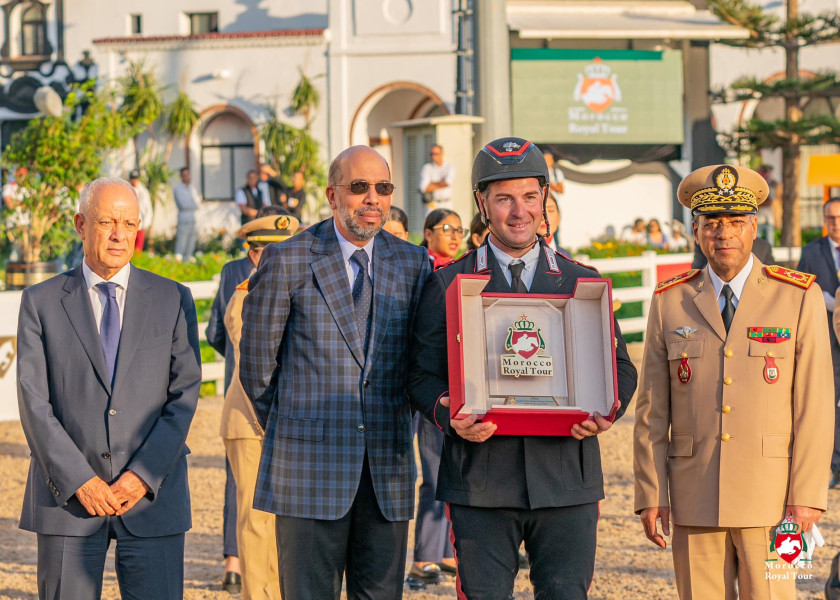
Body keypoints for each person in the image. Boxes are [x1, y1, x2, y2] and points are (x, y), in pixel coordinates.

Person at [409, 137, 638, 599]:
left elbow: (621, 367)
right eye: (504, 198)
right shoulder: (448, 283)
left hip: (566, 480)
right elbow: (419, 374)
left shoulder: (581, 282)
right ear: (482, 203)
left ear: (545, 199)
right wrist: (446, 410)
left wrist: (606, 410)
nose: (519, 211)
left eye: (530, 196)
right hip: (480, 480)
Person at [239, 145, 432, 600]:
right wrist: (295, 429)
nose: (372, 198)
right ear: (331, 194)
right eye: (359, 187)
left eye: (382, 188)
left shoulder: (412, 264)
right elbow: (256, 369)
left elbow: (421, 364)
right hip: (307, 470)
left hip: (387, 470)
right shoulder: (288, 259)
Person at [634, 164, 833, 600]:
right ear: (696, 230)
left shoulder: (798, 296)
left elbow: (815, 407)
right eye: (712, 223)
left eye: (736, 222)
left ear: (753, 226)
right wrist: (651, 493)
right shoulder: (670, 301)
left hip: (775, 501)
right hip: (693, 495)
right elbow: (652, 409)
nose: (724, 233)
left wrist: (806, 497)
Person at [16, 177, 202, 599]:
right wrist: (80, 479)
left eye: (128, 222)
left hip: (152, 499)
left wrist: (142, 475)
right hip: (69, 503)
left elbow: (184, 394)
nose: (119, 234)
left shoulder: (173, 298)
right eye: (106, 222)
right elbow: (33, 402)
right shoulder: (41, 302)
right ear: (81, 224)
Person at [221, 211, 299, 600]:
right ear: (253, 255)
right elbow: (258, 358)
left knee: (286, 519)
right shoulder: (245, 295)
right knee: (256, 519)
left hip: (288, 421)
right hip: (251, 419)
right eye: (271, 250)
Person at [796, 197, 840, 488]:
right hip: (826, 335)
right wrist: (819, 298)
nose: (834, 223)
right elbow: (800, 284)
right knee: (831, 399)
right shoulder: (812, 251)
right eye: (830, 218)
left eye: (838, 217)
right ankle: (836, 464)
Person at [173, 166, 202, 260]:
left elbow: (198, 204)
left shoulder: (192, 189)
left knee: (191, 240)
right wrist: (192, 203)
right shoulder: (178, 189)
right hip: (183, 218)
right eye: (184, 175)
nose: (187, 177)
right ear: (181, 176)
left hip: (193, 218)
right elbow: (183, 205)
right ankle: (178, 259)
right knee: (182, 240)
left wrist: (192, 203)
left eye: (188, 175)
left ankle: (188, 258)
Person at [419, 144, 455, 215]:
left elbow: (447, 183)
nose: (433, 156)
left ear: (442, 154)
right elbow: (423, 188)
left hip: (447, 203)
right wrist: (441, 183)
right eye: (431, 154)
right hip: (433, 204)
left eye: (436, 154)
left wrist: (431, 184)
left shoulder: (449, 167)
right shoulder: (427, 168)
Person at [128, 169, 153, 251]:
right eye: (133, 178)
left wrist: (146, 223)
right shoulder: (126, 189)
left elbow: (148, 208)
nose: (134, 181)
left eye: (136, 178)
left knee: (139, 245)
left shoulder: (143, 191)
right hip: (128, 220)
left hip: (140, 220)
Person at [543, 150, 565, 241]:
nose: (547, 161)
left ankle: (556, 249)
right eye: (545, 159)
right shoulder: (539, 173)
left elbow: (561, 189)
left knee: (554, 229)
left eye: (549, 159)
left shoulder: (557, 173)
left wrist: (550, 184)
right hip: (542, 205)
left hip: (554, 204)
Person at [756, 164, 778, 245]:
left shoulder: (769, 185)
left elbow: (770, 201)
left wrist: (758, 204)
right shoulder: (758, 185)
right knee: (756, 241)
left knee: (770, 242)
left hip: (768, 217)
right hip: (759, 217)